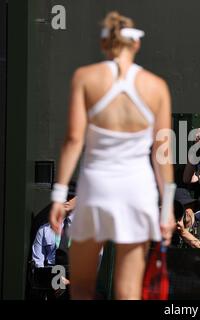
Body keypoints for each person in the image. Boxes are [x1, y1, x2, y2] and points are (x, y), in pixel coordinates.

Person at [49, 11, 175, 300]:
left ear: (105, 44)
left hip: (96, 189)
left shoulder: (85, 77)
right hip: (137, 191)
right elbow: (162, 152)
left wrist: (58, 196)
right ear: (136, 45)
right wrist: (166, 208)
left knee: (80, 288)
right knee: (128, 292)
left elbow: (73, 139)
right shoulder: (156, 86)